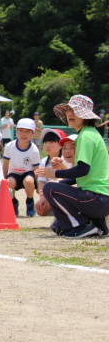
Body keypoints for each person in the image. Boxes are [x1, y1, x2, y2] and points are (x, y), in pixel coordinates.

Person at [36, 95, 109, 238]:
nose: (70, 114)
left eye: (75, 111)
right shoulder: (90, 133)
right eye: (68, 110)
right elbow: (82, 176)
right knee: (58, 225)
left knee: (50, 188)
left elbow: (83, 170)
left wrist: (55, 175)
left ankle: (82, 226)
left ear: (85, 116)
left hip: (97, 198)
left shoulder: (86, 136)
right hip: (99, 199)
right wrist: (58, 184)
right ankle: (96, 224)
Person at [2, 118, 41, 217]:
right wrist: (3, 179)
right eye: (21, 131)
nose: (24, 134)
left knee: (28, 181)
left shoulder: (34, 150)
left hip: (28, 173)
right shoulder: (10, 146)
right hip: (14, 173)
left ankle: (30, 201)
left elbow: (36, 169)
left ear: (33, 134)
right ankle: (13, 202)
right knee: (9, 182)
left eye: (28, 131)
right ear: (17, 132)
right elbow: (5, 164)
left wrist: (38, 185)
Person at [36, 128, 67, 194]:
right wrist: (42, 198)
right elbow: (41, 182)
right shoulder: (43, 162)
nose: (47, 145)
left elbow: (72, 179)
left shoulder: (67, 160)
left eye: (51, 142)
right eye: (45, 142)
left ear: (61, 145)